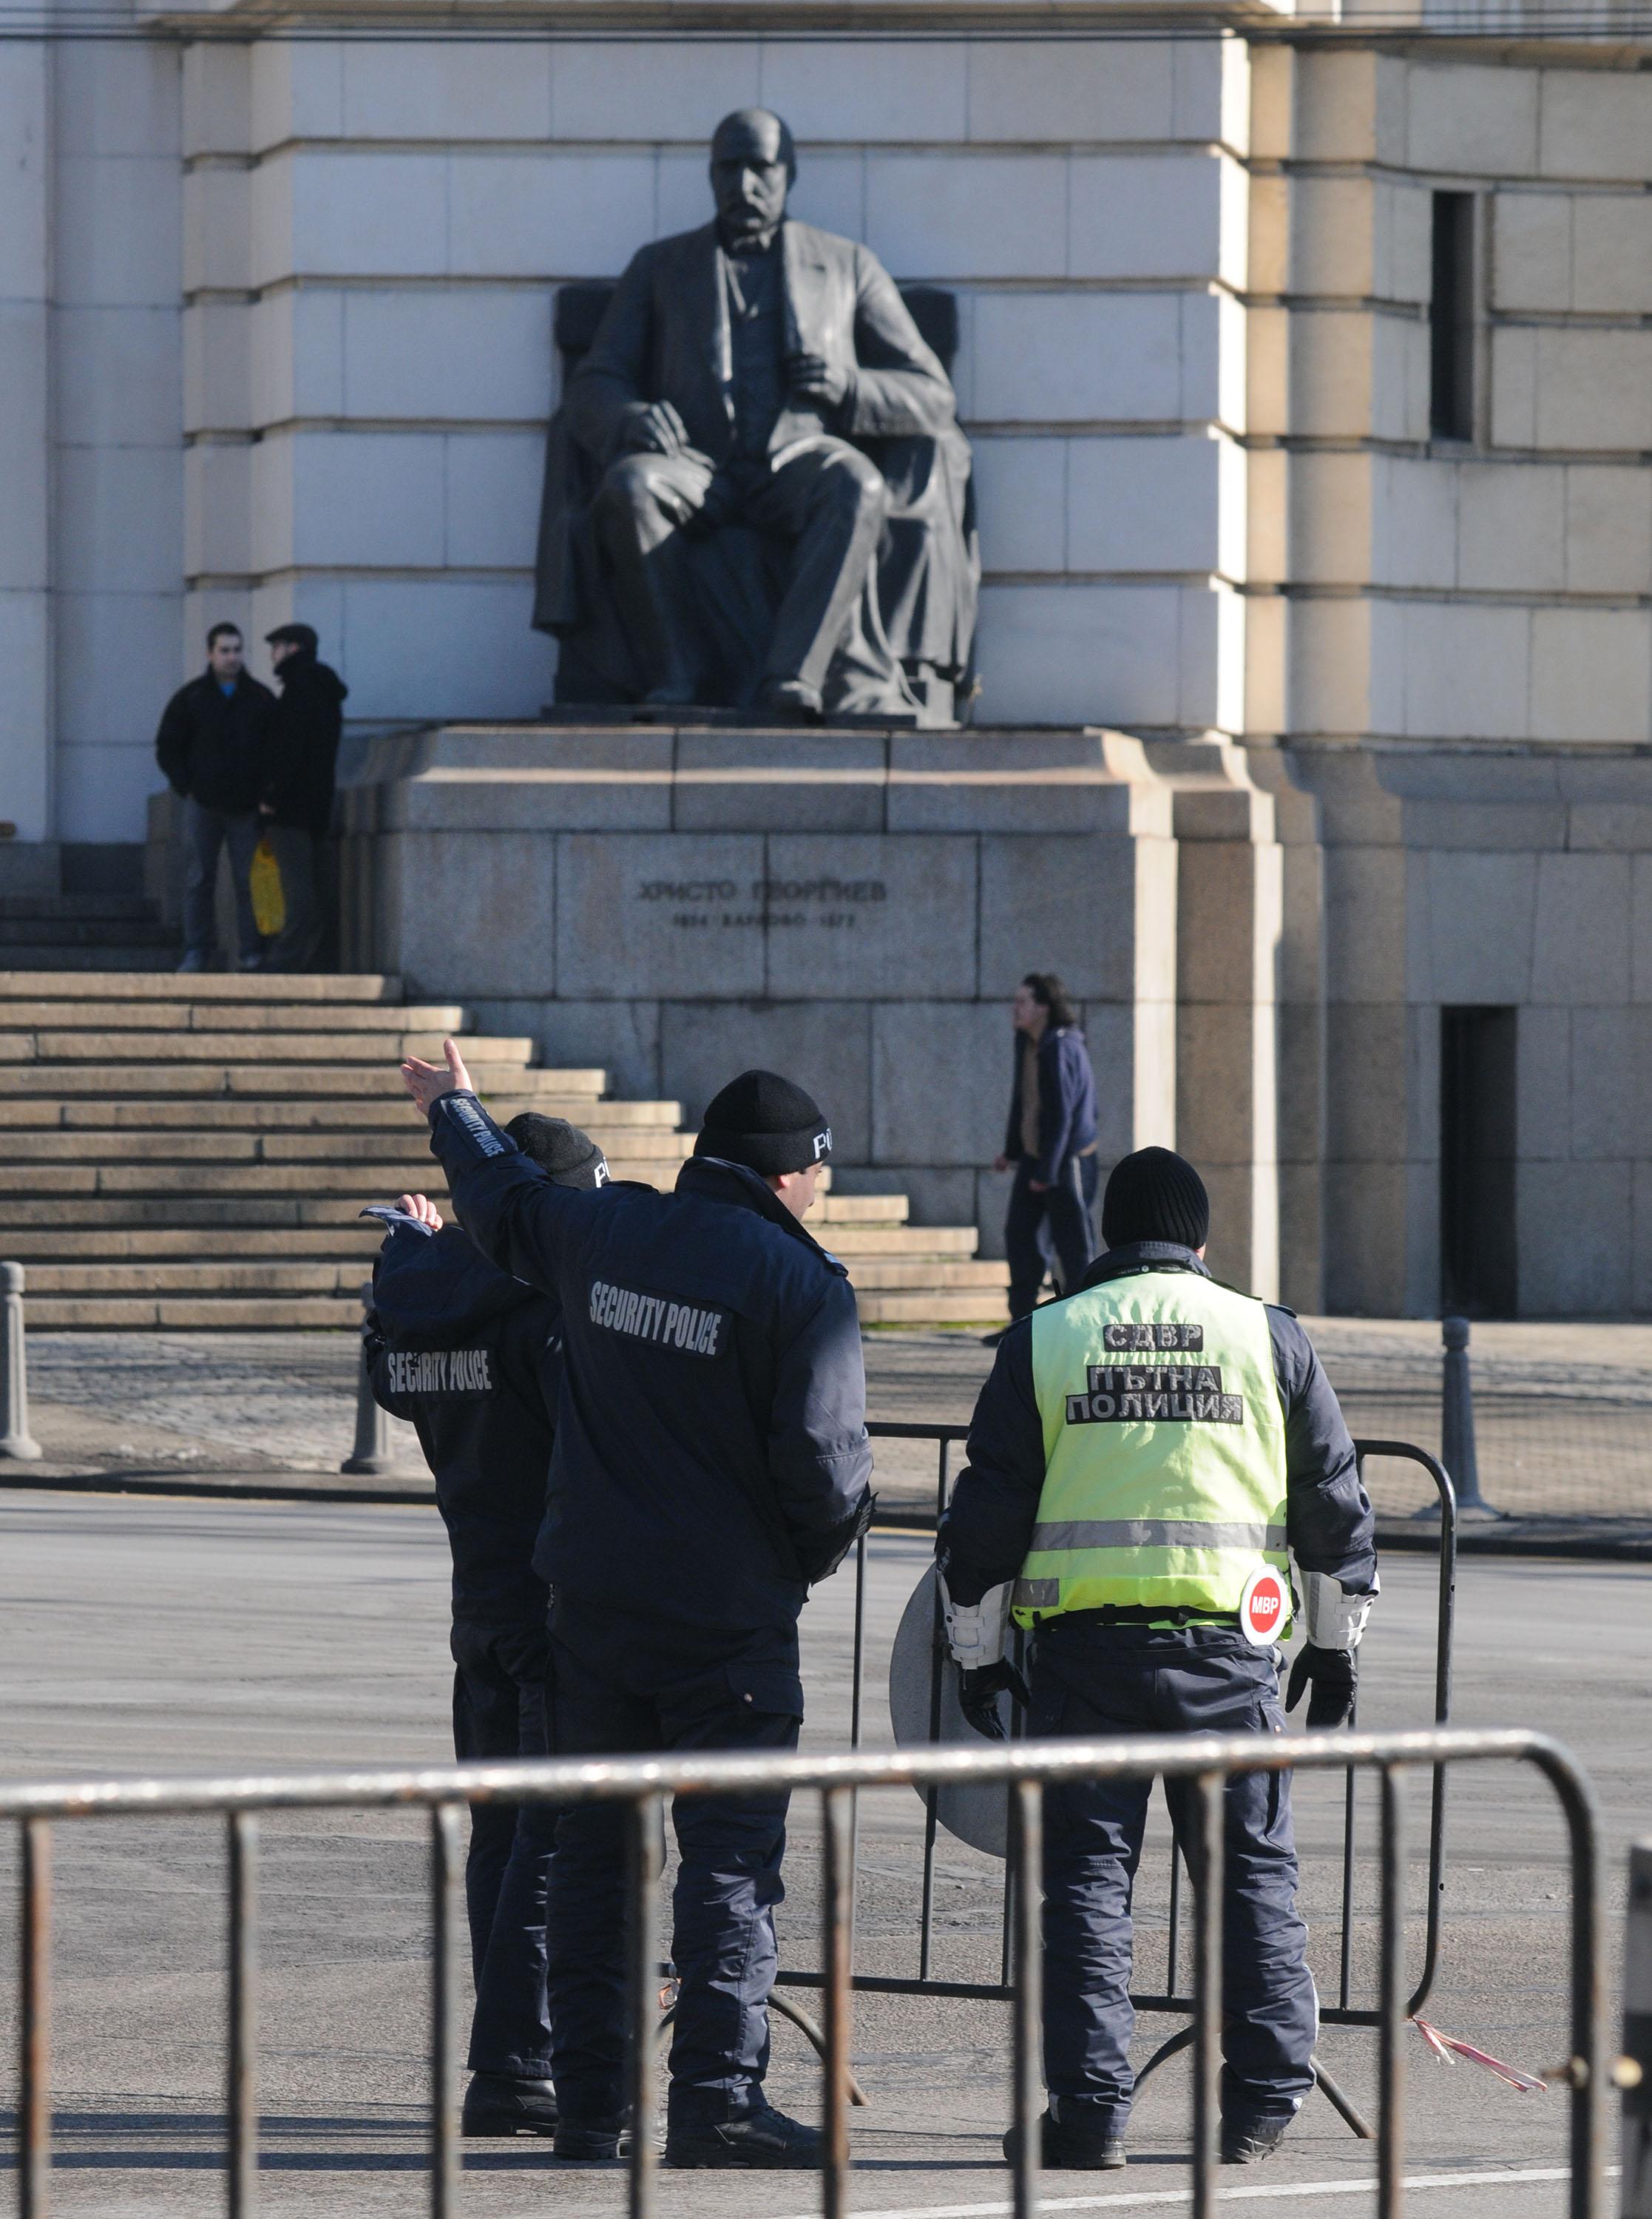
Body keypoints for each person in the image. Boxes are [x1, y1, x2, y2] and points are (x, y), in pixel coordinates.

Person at [398, 1046, 874, 2169]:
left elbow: (506, 1205)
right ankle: (714, 2100)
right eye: (816, 1174)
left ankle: (587, 2105)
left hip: (592, 1610)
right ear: (784, 1176)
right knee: (727, 1862)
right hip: (727, 1625)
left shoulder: (609, 1233)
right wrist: (797, 1565)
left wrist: (458, 1114)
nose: (817, 1192)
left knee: (590, 1857)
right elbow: (825, 1467)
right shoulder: (799, 1285)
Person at [936, 1146, 1377, 2171]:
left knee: (1084, 1889)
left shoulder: (1046, 1337)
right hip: (1227, 1657)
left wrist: (975, 1653)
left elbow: (984, 1521)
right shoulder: (1266, 1335)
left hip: (1083, 1661)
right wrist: (1334, 1642)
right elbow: (1330, 1498)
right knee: (1250, 1875)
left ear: (1107, 1237)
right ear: (1199, 1241)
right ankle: (1263, 2099)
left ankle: (1087, 2114)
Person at [365, 1115, 611, 2140]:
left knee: (503, 1838)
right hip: (554, 1609)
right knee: (550, 1842)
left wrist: (417, 1255)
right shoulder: (539, 1316)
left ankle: (516, 2053)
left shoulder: (430, 1302)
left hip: (479, 1602)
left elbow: (388, 1367)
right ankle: (515, 2061)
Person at [560, 107, 961, 720]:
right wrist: (630, 418)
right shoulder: (660, 267)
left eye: (760, 168)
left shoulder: (848, 265)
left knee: (857, 485)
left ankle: (796, 677)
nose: (743, 184)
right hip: (696, 466)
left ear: (789, 176)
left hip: (798, 461)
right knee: (632, 487)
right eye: (729, 168)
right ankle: (676, 675)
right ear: (711, 176)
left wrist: (849, 389)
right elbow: (595, 382)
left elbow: (932, 394)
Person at [154, 622, 276, 973]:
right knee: (198, 879)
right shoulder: (192, 698)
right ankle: (197, 952)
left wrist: (266, 793)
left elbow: (274, 752)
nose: (232, 657)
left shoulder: (260, 699)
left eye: (237, 650)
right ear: (210, 653)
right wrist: (187, 786)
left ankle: (251, 952)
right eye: (224, 650)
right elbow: (167, 746)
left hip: (246, 807)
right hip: (203, 804)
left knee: (248, 881)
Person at [994, 973, 1099, 1321]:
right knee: (1020, 1236)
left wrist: (1048, 1173)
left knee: (1073, 1245)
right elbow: (1022, 1102)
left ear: (1044, 1007)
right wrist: (1011, 1151)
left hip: (1066, 1161)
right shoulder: (1027, 1042)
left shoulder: (1061, 1046)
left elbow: (1063, 1116)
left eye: (1023, 1001)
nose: (1015, 1008)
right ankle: (1022, 1324)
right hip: (1036, 1159)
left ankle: (1085, 1321)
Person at [259, 621, 347, 970]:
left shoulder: (298, 690)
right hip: (318, 804)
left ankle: (285, 959)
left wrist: (270, 795)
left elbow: (288, 750)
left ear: (294, 649)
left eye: (277, 646)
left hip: (291, 806)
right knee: (318, 886)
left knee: (298, 887)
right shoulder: (325, 689)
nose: (273, 654)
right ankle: (318, 958)